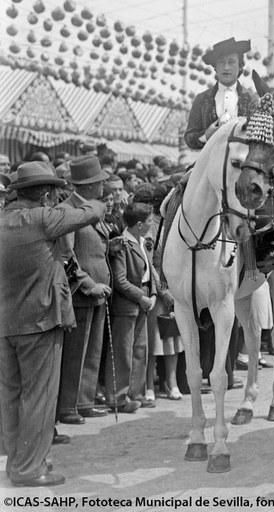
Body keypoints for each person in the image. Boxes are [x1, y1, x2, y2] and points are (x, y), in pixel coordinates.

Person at [0, 161, 105, 486]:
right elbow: (93, 212)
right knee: (39, 397)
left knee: (12, 397)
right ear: (46, 194)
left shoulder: (4, 222)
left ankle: (17, 463)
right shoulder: (43, 219)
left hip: (6, 324)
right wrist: (83, 192)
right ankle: (30, 469)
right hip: (41, 321)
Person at [56, 156, 112, 425]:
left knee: (92, 350)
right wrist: (89, 284)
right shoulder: (69, 210)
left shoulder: (91, 207)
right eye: (100, 181)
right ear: (89, 185)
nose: (103, 185)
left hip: (99, 292)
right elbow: (67, 255)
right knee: (75, 353)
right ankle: (68, 406)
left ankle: (84, 400)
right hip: (80, 293)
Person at [104, 202, 157, 412]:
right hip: (128, 304)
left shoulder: (142, 242)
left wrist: (152, 293)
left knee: (140, 350)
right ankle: (118, 397)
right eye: (150, 221)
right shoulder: (123, 243)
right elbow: (120, 280)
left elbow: (150, 271)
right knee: (122, 352)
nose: (152, 225)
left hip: (143, 300)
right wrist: (141, 297)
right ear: (139, 224)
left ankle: (137, 392)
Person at [184, 37, 256, 150]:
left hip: (242, 164)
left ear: (240, 66)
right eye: (221, 62)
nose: (226, 67)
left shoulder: (252, 100)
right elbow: (189, 139)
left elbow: (260, 139)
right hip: (208, 163)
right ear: (215, 68)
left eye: (231, 62)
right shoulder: (202, 100)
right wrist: (206, 135)